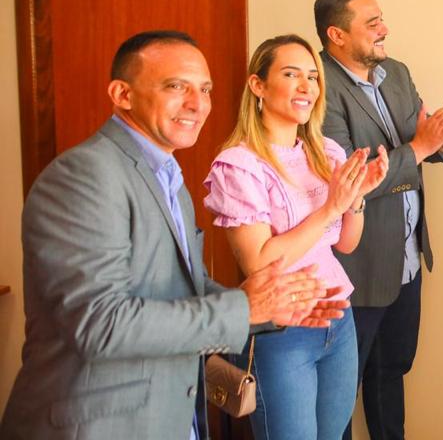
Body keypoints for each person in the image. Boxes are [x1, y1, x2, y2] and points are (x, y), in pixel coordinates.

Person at [1, 30, 344, 440]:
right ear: (122, 94)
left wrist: (269, 308)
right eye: (176, 87)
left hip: (169, 412)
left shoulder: (169, 178)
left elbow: (184, 288)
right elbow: (99, 324)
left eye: (205, 89)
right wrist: (242, 309)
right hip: (100, 425)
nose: (197, 104)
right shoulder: (84, 175)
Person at [203, 34, 388, 440]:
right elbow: (260, 261)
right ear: (258, 85)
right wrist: (331, 208)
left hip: (339, 320)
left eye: (312, 77)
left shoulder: (325, 151)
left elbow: (346, 244)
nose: (307, 87)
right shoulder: (239, 165)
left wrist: (356, 198)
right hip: (283, 332)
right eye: (291, 75)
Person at [314, 0, 443, 440]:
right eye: (372, 23)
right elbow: (348, 181)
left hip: (406, 259)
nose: (384, 29)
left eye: (381, 18)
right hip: (354, 267)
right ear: (336, 35)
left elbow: (415, 140)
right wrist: (422, 145)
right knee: (339, 390)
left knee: (391, 372)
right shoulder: (316, 86)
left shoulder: (398, 73)